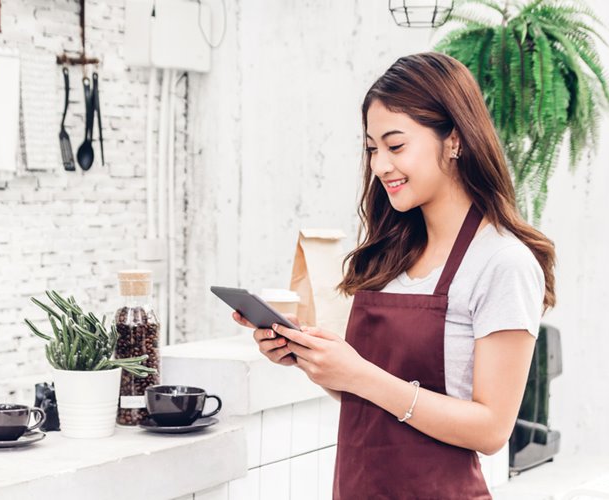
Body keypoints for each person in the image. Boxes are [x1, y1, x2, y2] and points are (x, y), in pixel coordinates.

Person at [232, 52, 555, 499]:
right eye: (371, 148)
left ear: (455, 140)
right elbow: (371, 399)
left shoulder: (503, 262)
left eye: (395, 145)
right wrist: (317, 363)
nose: (380, 165)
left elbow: (491, 429)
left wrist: (359, 374)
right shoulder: (388, 259)